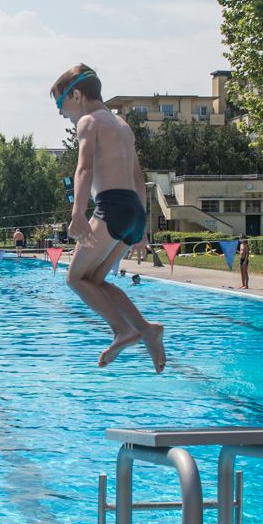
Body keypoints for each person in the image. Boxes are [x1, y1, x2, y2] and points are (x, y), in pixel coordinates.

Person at [52, 63, 165, 372]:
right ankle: (146, 328)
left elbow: (84, 168)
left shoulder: (89, 122)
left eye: (61, 104)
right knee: (95, 280)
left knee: (75, 277)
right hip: (133, 209)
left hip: (111, 206)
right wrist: (141, 228)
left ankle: (124, 330)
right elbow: (139, 179)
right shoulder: (122, 125)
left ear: (76, 95)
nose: (62, 113)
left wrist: (77, 212)